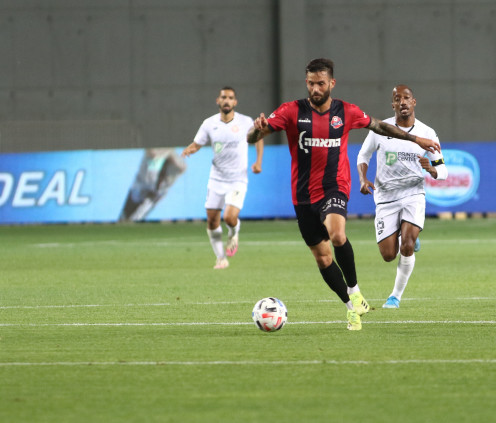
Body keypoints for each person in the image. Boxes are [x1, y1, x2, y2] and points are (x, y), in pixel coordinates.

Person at [247, 58, 440, 330]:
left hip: (334, 187)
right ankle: (352, 306)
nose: (315, 89)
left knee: (337, 235)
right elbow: (253, 138)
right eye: (311, 83)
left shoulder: (346, 111)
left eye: (321, 83)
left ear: (331, 83)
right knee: (323, 258)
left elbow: (380, 127)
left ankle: (355, 289)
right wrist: (255, 130)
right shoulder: (291, 111)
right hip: (302, 195)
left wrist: (416, 139)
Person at [356, 84, 447, 309]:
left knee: (407, 245)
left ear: (414, 102)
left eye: (406, 98)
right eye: (397, 99)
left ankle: (395, 296)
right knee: (388, 255)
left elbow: (443, 170)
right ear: (393, 105)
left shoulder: (427, 133)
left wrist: (432, 170)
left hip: (413, 194)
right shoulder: (381, 129)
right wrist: (363, 178)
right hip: (385, 197)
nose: (402, 102)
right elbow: (363, 155)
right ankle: (405, 236)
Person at [182, 87, 263, 269]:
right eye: (224, 97)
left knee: (229, 217)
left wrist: (258, 162)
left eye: (230, 98)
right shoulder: (209, 123)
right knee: (212, 221)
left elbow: (258, 138)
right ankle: (221, 258)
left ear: (235, 102)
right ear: (218, 101)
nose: (227, 100)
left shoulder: (245, 122)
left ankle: (234, 232)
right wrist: (189, 150)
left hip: (238, 179)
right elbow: (197, 144)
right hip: (216, 179)